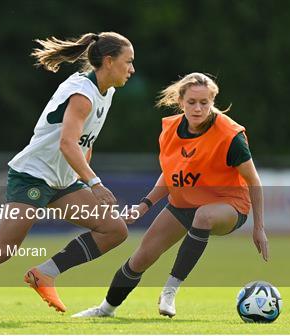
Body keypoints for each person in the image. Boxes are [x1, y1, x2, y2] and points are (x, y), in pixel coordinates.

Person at [0, 32, 136, 323]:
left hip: (62, 180)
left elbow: (86, 142)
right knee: (2, 250)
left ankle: (45, 273)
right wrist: (95, 183)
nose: (132, 69)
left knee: (114, 230)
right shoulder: (83, 93)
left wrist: (82, 180)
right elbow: (67, 144)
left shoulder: (106, 92)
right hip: (33, 176)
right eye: (128, 62)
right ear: (108, 61)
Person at [72, 72, 269, 319]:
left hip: (229, 205)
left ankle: (169, 291)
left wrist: (258, 227)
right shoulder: (170, 129)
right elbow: (170, 175)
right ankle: (105, 309)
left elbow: (253, 180)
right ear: (181, 101)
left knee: (204, 216)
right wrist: (145, 205)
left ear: (213, 101)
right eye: (192, 102)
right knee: (140, 258)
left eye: (205, 103)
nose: (198, 108)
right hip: (183, 204)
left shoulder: (230, 136)